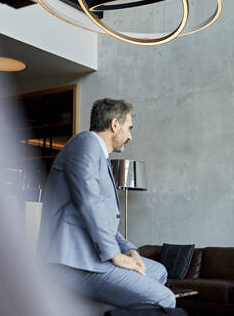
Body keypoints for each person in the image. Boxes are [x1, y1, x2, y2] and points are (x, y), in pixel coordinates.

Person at [37, 98, 176, 308]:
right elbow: (89, 202)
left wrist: (130, 250)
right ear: (114, 124)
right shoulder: (86, 143)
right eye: (129, 128)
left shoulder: (97, 154)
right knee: (165, 298)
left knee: (158, 271)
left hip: (89, 259)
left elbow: (102, 217)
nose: (130, 136)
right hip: (73, 263)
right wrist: (115, 255)